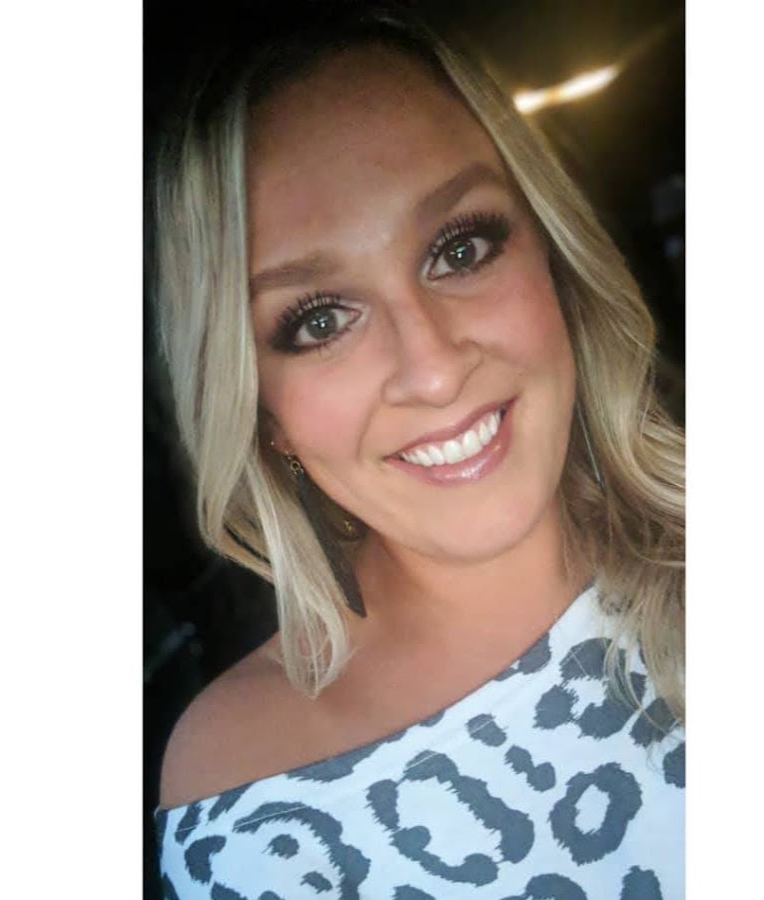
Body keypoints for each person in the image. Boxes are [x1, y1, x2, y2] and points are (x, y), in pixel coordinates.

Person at [151, 5, 685, 898]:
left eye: (460, 249)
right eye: (320, 321)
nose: (433, 370)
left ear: (553, 259)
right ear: (262, 412)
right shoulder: (245, 790)